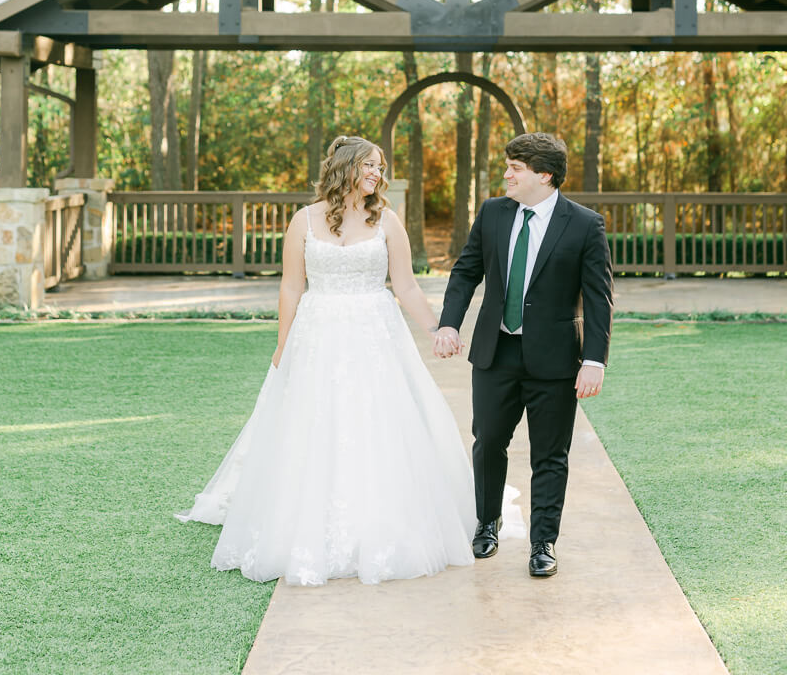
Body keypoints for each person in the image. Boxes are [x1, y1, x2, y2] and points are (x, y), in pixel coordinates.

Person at [176, 135, 476, 586]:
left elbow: (406, 286)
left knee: (377, 422)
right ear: (346, 168)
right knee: (314, 422)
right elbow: (291, 287)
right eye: (370, 166)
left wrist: (436, 329)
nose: (378, 174)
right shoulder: (304, 220)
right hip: (317, 334)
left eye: (380, 167)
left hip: (375, 332)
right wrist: (283, 343)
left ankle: (381, 517)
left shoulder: (388, 220)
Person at [434, 132, 613, 577]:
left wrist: (594, 360)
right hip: (495, 353)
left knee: (550, 455)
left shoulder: (585, 224)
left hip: (555, 360)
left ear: (544, 174)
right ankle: (486, 522)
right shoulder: (494, 213)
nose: (507, 174)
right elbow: (466, 270)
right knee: (489, 441)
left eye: (516, 167)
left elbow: (598, 297)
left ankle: (543, 543)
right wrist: (449, 323)